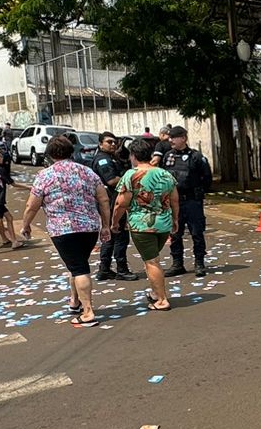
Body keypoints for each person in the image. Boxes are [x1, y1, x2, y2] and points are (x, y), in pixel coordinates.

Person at [17, 135, 109, 327]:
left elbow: (32, 206)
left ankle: (88, 312)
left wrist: (25, 225)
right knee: (76, 264)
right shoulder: (88, 172)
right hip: (89, 227)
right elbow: (104, 199)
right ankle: (74, 301)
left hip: (63, 229)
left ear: (50, 154)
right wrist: (106, 225)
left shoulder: (45, 175)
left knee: (79, 268)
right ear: (71, 151)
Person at [114, 137, 180, 311]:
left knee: (151, 262)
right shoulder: (166, 174)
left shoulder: (131, 175)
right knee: (153, 259)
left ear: (133, 155)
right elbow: (174, 200)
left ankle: (162, 299)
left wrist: (114, 222)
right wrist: (175, 219)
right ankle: (155, 293)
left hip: (142, 225)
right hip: (164, 223)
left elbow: (121, 203)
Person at [158, 126, 212, 278]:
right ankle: (177, 263)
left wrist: (199, 192)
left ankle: (199, 263)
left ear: (183, 138)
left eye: (173, 137)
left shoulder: (196, 156)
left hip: (192, 201)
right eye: (169, 137)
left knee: (197, 232)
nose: (170, 140)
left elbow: (206, 178)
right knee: (175, 233)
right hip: (174, 202)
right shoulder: (168, 156)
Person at [88, 132, 136, 281]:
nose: (113, 144)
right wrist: (132, 178)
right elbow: (112, 181)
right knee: (119, 235)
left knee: (109, 236)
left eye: (115, 142)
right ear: (101, 144)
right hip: (109, 203)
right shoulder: (103, 160)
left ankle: (105, 269)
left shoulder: (111, 158)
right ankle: (121, 269)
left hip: (110, 202)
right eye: (109, 142)